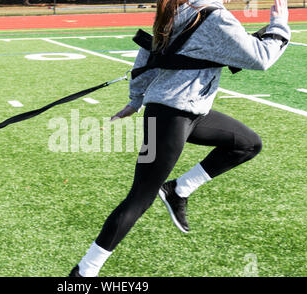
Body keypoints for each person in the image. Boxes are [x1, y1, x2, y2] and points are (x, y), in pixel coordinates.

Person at [69, 0, 290, 277]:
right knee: (139, 198)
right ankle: (84, 273)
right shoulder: (213, 15)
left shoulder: (176, 9)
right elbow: (261, 58)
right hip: (171, 117)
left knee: (247, 143)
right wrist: (279, 24)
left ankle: (178, 189)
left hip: (188, 112)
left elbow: (147, 54)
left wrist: (136, 99)